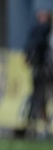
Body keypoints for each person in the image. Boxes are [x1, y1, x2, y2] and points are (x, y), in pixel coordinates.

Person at [24, 9, 52, 137]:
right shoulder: (41, 32)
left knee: (42, 98)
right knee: (41, 99)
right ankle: (43, 128)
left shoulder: (43, 31)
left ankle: (43, 128)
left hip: (44, 69)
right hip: (44, 69)